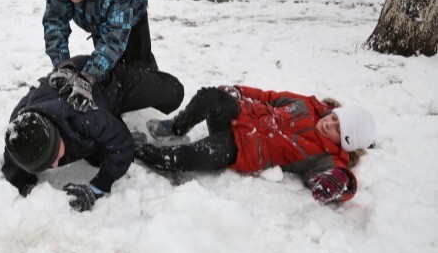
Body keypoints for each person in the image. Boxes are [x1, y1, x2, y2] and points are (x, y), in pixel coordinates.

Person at [137, 85, 377, 204]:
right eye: (334, 118)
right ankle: (177, 127)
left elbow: (334, 178)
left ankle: (148, 153)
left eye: (338, 130)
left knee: (192, 156)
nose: (329, 125)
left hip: (243, 148)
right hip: (241, 114)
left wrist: (342, 183)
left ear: (345, 144)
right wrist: (239, 91)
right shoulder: (309, 105)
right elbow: (269, 97)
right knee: (209, 96)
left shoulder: (328, 157)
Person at [2, 56, 184, 212]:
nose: (57, 164)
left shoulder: (81, 112)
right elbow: (13, 165)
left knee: (174, 92)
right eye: (48, 165)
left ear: (57, 133)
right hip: (94, 114)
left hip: (109, 81)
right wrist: (27, 187)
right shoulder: (20, 131)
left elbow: (123, 145)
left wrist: (96, 187)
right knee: (99, 152)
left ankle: (138, 59)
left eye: (55, 156)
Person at [42, 0, 155, 113]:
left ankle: (150, 97)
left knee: (139, 64)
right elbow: (55, 20)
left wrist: (87, 77)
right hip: (95, 21)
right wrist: (62, 64)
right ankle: (116, 100)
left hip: (132, 17)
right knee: (108, 66)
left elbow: (113, 40)